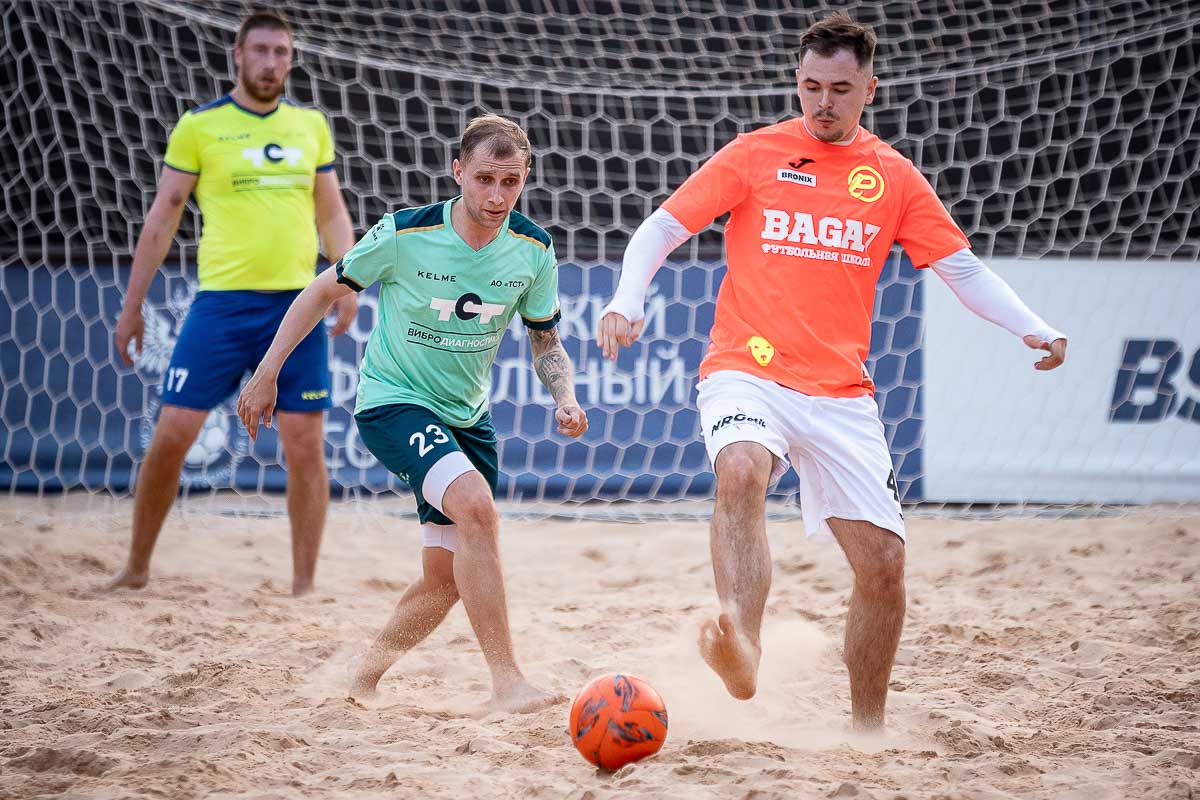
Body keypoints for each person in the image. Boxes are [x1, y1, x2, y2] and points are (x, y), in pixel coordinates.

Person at [597, 12, 1067, 731]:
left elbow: (963, 270)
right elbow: (662, 226)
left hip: (841, 392)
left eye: (840, 89)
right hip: (746, 369)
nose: (822, 102)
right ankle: (743, 643)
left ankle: (866, 731)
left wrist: (1034, 326)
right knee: (742, 469)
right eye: (811, 86)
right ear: (798, 80)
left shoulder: (894, 177)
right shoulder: (756, 153)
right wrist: (627, 300)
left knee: (883, 566)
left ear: (869, 89)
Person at [237, 114, 586, 713]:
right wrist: (268, 371)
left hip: (468, 418)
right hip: (393, 402)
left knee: (444, 579)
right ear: (458, 172)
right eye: (485, 179)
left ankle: (362, 676)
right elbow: (321, 291)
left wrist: (565, 396)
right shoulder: (405, 233)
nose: (497, 195)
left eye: (510, 181)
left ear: (525, 179)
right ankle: (507, 682)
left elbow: (545, 340)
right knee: (477, 508)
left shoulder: (533, 249)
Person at [107, 12, 356, 596]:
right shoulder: (200, 126)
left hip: (295, 309)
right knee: (171, 434)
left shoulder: (310, 125)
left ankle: (303, 587)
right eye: (261, 50)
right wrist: (133, 305)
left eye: (281, 52)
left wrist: (346, 280)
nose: (271, 62)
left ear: (291, 60)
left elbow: (331, 212)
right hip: (219, 306)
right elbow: (164, 215)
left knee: (305, 447)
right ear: (238, 55)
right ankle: (136, 567)